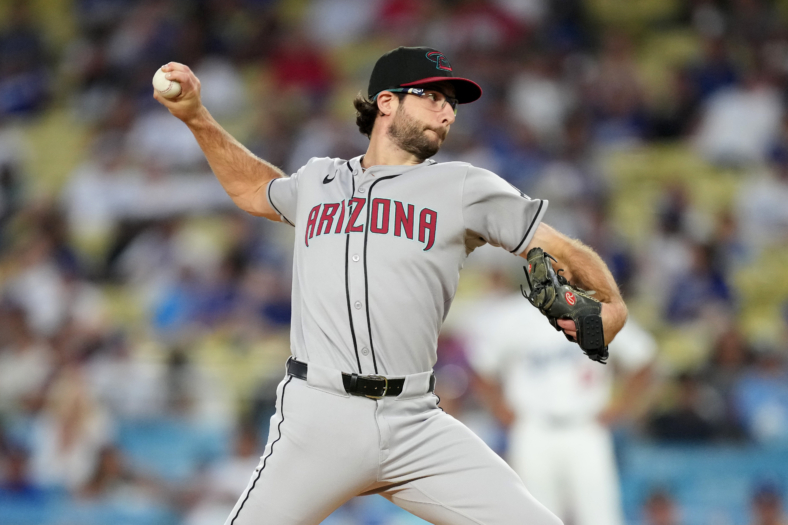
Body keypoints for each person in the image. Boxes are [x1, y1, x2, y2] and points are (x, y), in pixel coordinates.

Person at [154, 46, 628, 525]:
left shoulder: (464, 187)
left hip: (415, 423)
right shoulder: (319, 180)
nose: (447, 112)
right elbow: (252, 189)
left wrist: (613, 306)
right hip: (318, 419)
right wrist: (196, 118)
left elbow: (560, 249)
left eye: (453, 104)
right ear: (386, 102)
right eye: (434, 97)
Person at [462, 286, 655, 525]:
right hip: (533, 428)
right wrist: (498, 408)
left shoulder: (596, 308)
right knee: (536, 517)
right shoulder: (512, 313)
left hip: (585, 427)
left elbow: (644, 358)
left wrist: (622, 407)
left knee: (600, 516)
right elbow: (481, 365)